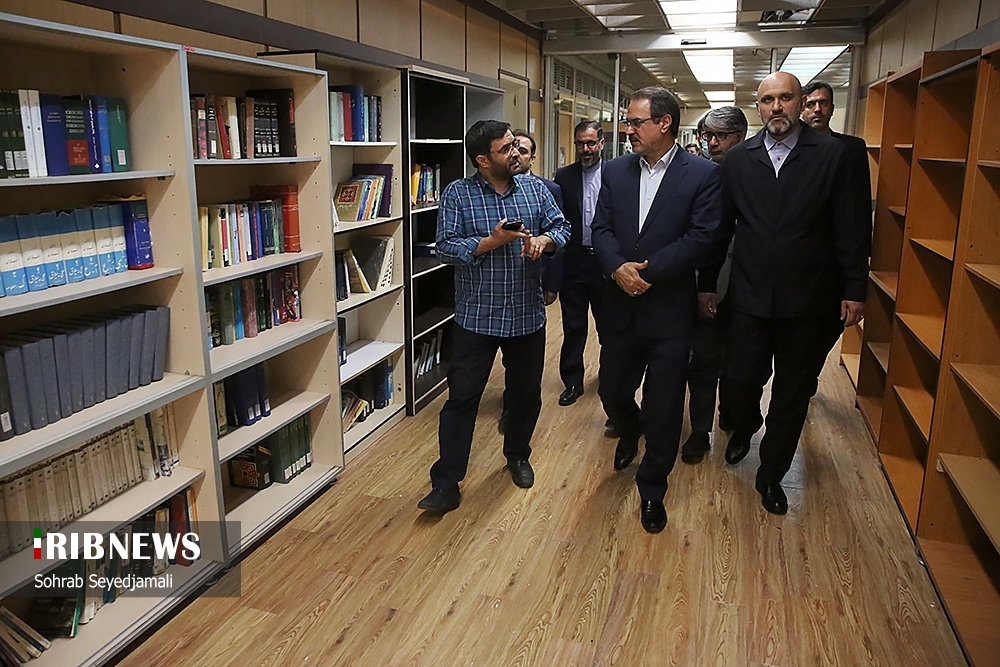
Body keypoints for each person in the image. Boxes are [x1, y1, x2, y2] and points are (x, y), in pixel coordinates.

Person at [713, 72, 869, 515]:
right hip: (749, 294)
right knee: (740, 380)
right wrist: (708, 285)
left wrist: (855, 287)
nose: (776, 107)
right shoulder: (739, 159)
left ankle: (772, 472)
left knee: (792, 390)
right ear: (757, 107)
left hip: (810, 296)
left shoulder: (833, 155)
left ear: (801, 102)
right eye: (767, 100)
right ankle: (745, 426)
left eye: (785, 98)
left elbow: (852, 224)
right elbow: (721, 228)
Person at [417, 120, 570, 513]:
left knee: (525, 396)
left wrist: (544, 240)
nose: (516, 153)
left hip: (526, 315)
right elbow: (444, 248)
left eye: (516, 145)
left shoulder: (535, 189)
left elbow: (562, 227)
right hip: (476, 318)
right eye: (506, 149)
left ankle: (517, 455)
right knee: (461, 400)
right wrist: (491, 241)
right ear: (483, 160)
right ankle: (446, 483)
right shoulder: (458, 194)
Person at [591, 86, 722, 533]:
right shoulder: (615, 170)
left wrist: (647, 272)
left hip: (668, 309)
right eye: (628, 122)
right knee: (612, 390)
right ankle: (630, 430)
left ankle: (652, 489)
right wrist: (617, 268)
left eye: (635, 122)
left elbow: (702, 237)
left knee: (664, 405)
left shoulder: (702, 174)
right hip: (619, 306)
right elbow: (600, 228)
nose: (628, 130)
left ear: (664, 123)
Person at [681, 106, 748, 465]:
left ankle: (736, 415)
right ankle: (699, 431)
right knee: (703, 361)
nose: (713, 142)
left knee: (741, 367)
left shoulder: (756, 171)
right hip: (707, 283)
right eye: (708, 135)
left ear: (741, 136)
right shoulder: (701, 175)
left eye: (721, 136)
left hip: (749, 286)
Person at [494, 129, 564, 435]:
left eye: (522, 150)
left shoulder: (546, 190)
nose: (516, 155)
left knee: (524, 366)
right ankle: (509, 404)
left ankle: (518, 417)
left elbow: (559, 235)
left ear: (532, 158)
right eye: (511, 148)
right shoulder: (480, 190)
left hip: (531, 284)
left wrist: (552, 283)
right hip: (493, 293)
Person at [547, 121, 607, 412]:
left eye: (591, 143)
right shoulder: (564, 176)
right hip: (574, 261)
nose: (585, 149)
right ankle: (572, 381)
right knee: (573, 325)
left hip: (605, 262)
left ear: (601, 143)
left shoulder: (616, 173)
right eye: (580, 143)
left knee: (609, 325)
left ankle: (609, 377)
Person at [801, 80, 873, 244]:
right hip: (802, 241)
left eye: (823, 103)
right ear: (801, 110)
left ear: (832, 108)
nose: (817, 109)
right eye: (810, 104)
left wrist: (864, 246)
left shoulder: (853, 148)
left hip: (839, 240)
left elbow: (862, 201)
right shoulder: (789, 149)